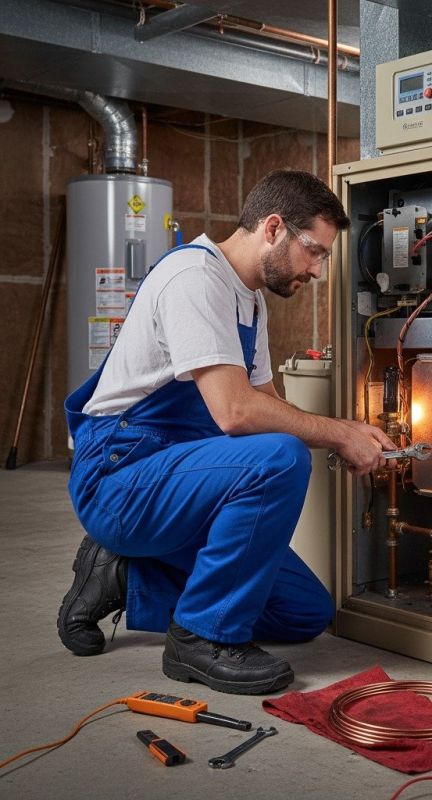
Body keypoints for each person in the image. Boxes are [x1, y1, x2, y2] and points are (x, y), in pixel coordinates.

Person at [58, 169, 394, 695]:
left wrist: (346, 434)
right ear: (274, 227)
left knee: (305, 611)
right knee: (280, 457)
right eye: (315, 252)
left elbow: (266, 404)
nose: (318, 270)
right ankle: (199, 637)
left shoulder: (249, 298)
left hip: (183, 481)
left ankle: (124, 576)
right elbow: (236, 413)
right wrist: (335, 434)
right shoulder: (194, 279)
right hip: (120, 478)